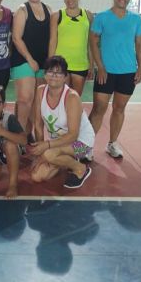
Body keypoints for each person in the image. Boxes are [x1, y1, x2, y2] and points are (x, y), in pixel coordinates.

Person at [88, 0, 141, 159]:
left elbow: (139, 45)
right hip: (106, 72)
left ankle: (112, 144)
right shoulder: (102, 17)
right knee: (98, 109)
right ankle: (84, 148)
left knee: (119, 109)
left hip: (128, 72)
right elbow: (93, 43)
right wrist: (100, 67)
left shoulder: (136, 19)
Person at [29, 56, 94, 189]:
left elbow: (73, 135)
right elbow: (38, 125)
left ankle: (81, 168)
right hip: (59, 142)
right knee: (37, 176)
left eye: (58, 73)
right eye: (50, 71)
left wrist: (46, 146)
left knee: (49, 154)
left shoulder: (71, 97)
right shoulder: (40, 91)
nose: (54, 75)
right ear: (45, 74)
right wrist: (40, 151)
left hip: (82, 143)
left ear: (65, 77)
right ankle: (65, 158)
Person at [10, 0, 51, 136]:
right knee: (25, 99)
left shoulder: (48, 9)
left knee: (36, 103)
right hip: (24, 60)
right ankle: (18, 137)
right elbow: (16, 38)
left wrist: (49, 62)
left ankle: (28, 134)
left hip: (42, 62)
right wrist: (30, 59)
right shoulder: (22, 10)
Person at [48, 0, 94, 97]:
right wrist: (50, 64)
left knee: (75, 99)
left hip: (81, 64)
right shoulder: (57, 15)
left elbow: (90, 43)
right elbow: (53, 41)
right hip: (61, 65)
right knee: (61, 99)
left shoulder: (88, 15)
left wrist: (92, 65)